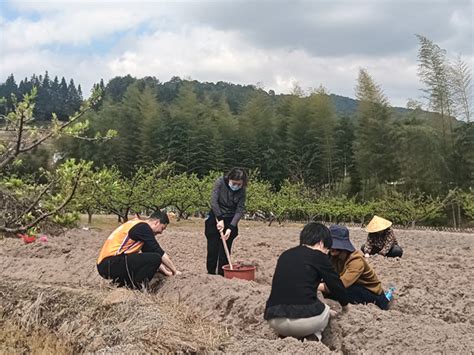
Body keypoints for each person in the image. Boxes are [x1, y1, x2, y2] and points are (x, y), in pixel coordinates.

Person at [264, 222, 349, 341]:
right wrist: (345, 306)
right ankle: (315, 337)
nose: (327, 253)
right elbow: (336, 285)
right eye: (327, 249)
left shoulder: (285, 255)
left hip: (274, 319)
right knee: (325, 311)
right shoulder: (320, 256)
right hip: (304, 323)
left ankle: (286, 336)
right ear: (321, 243)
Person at [97, 210, 180, 288]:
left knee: (150, 259)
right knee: (155, 258)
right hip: (110, 264)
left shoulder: (138, 225)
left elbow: (151, 255)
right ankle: (136, 287)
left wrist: (165, 272)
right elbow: (158, 252)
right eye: (162, 228)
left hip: (107, 264)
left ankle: (120, 284)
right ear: (157, 222)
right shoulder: (143, 227)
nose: (161, 232)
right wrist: (174, 271)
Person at [322, 225, 389, 310]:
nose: (331, 248)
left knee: (339, 289)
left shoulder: (356, 260)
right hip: (354, 287)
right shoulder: (332, 257)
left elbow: (341, 283)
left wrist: (318, 286)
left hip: (373, 295)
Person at [205, 167, 247, 276]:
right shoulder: (220, 182)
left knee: (225, 250)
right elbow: (213, 201)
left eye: (239, 184)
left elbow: (239, 210)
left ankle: (222, 274)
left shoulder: (242, 191)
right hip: (216, 215)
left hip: (230, 219)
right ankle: (210, 273)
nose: (236, 186)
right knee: (212, 248)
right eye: (234, 183)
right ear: (229, 179)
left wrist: (231, 228)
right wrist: (220, 219)